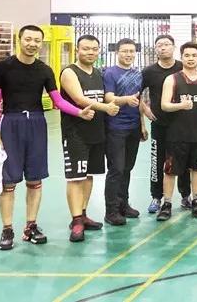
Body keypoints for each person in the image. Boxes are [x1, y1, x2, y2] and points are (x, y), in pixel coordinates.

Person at [0, 25, 94, 250]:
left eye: (37, 40)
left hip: (37, 123)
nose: (32, 44)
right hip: (11, 124)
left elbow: (58, 101)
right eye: (28, 39)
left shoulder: (45, 70)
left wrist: (79, 112)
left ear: (41, 43)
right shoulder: (2, 67)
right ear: (20, 39)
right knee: (8, 181)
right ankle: (7, 229)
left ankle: (31, 227)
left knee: (35, 180)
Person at [59, 35, 121, 242]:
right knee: (76, 177)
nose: (91, 52)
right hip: (76, 133)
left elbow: (107, 96)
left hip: (97, 132)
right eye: (86, 48)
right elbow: (79, 99)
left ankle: (83, 214)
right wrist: (106, 108)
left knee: (88, 175)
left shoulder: (98, 73)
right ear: (77, 49)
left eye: (94, 49)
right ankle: (76, 220)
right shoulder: (69, 72)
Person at [157, 42, 197, 221]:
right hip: (176, 134)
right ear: (181, 57)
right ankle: (167, 204)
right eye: (187, 55)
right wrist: (181, 105)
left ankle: (196, 201)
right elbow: (164, 105)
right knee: (170, 170)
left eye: (194, 55)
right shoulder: (172, 79)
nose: (190, 58)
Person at [141, 35, 191, 214]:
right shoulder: (148, 72)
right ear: (155, 49)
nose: (163, 48)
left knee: (183, 160)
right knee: (157, 162)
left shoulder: (182, 67)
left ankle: (186, 195)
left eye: (167, 44)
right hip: (159, 124)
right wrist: (145, 110)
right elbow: (136, 94)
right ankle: (156, 197)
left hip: (182, 124)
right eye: (159, 45)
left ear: (174, 47)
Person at [103, 38, 147, 226]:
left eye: (131, 51)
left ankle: (123, 204)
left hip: (133, 127)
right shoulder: (110, 73)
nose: (128, 54)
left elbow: (139, 101)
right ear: (117, 53)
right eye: (124, 51)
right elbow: (108, 98)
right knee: (116, 169)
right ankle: (111, 211)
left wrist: (142, 125)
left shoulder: (137, 74)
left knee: (127, 168)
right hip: (116, 128)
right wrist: (125, 100)